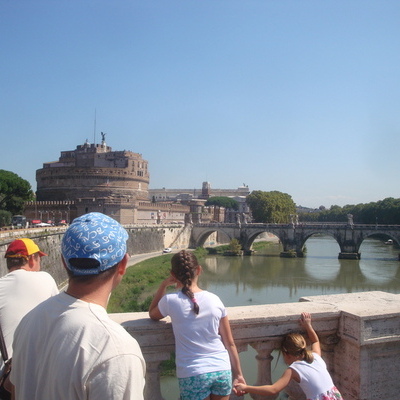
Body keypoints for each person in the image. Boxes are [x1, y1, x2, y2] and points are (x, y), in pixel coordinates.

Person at [10, 212, 146, 400]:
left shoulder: (29, 321)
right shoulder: (115, 349)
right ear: (123, 264)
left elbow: (15, 392)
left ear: (64, 262)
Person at [149, 250, 246, 400]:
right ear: (199, 270)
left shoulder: (170, 300)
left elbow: (152, 314)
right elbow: (230, 343)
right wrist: (238, 374)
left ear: (173, 275)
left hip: (193, 372)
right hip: (221, 369)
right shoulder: (215, 299)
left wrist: (163, 286)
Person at [235, 312, 344, 400]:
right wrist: (308, 325)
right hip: (334, 396)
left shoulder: (293, 369)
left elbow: (273, 390)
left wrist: (246, 388)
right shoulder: (315, 357)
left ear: (286, 354)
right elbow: (315, 341)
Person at [0, 238, 59, 371]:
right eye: (39, 259)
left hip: (4, 375)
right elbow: (60, 320)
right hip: (35, 371)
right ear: (32, 259)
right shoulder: (45, 279)